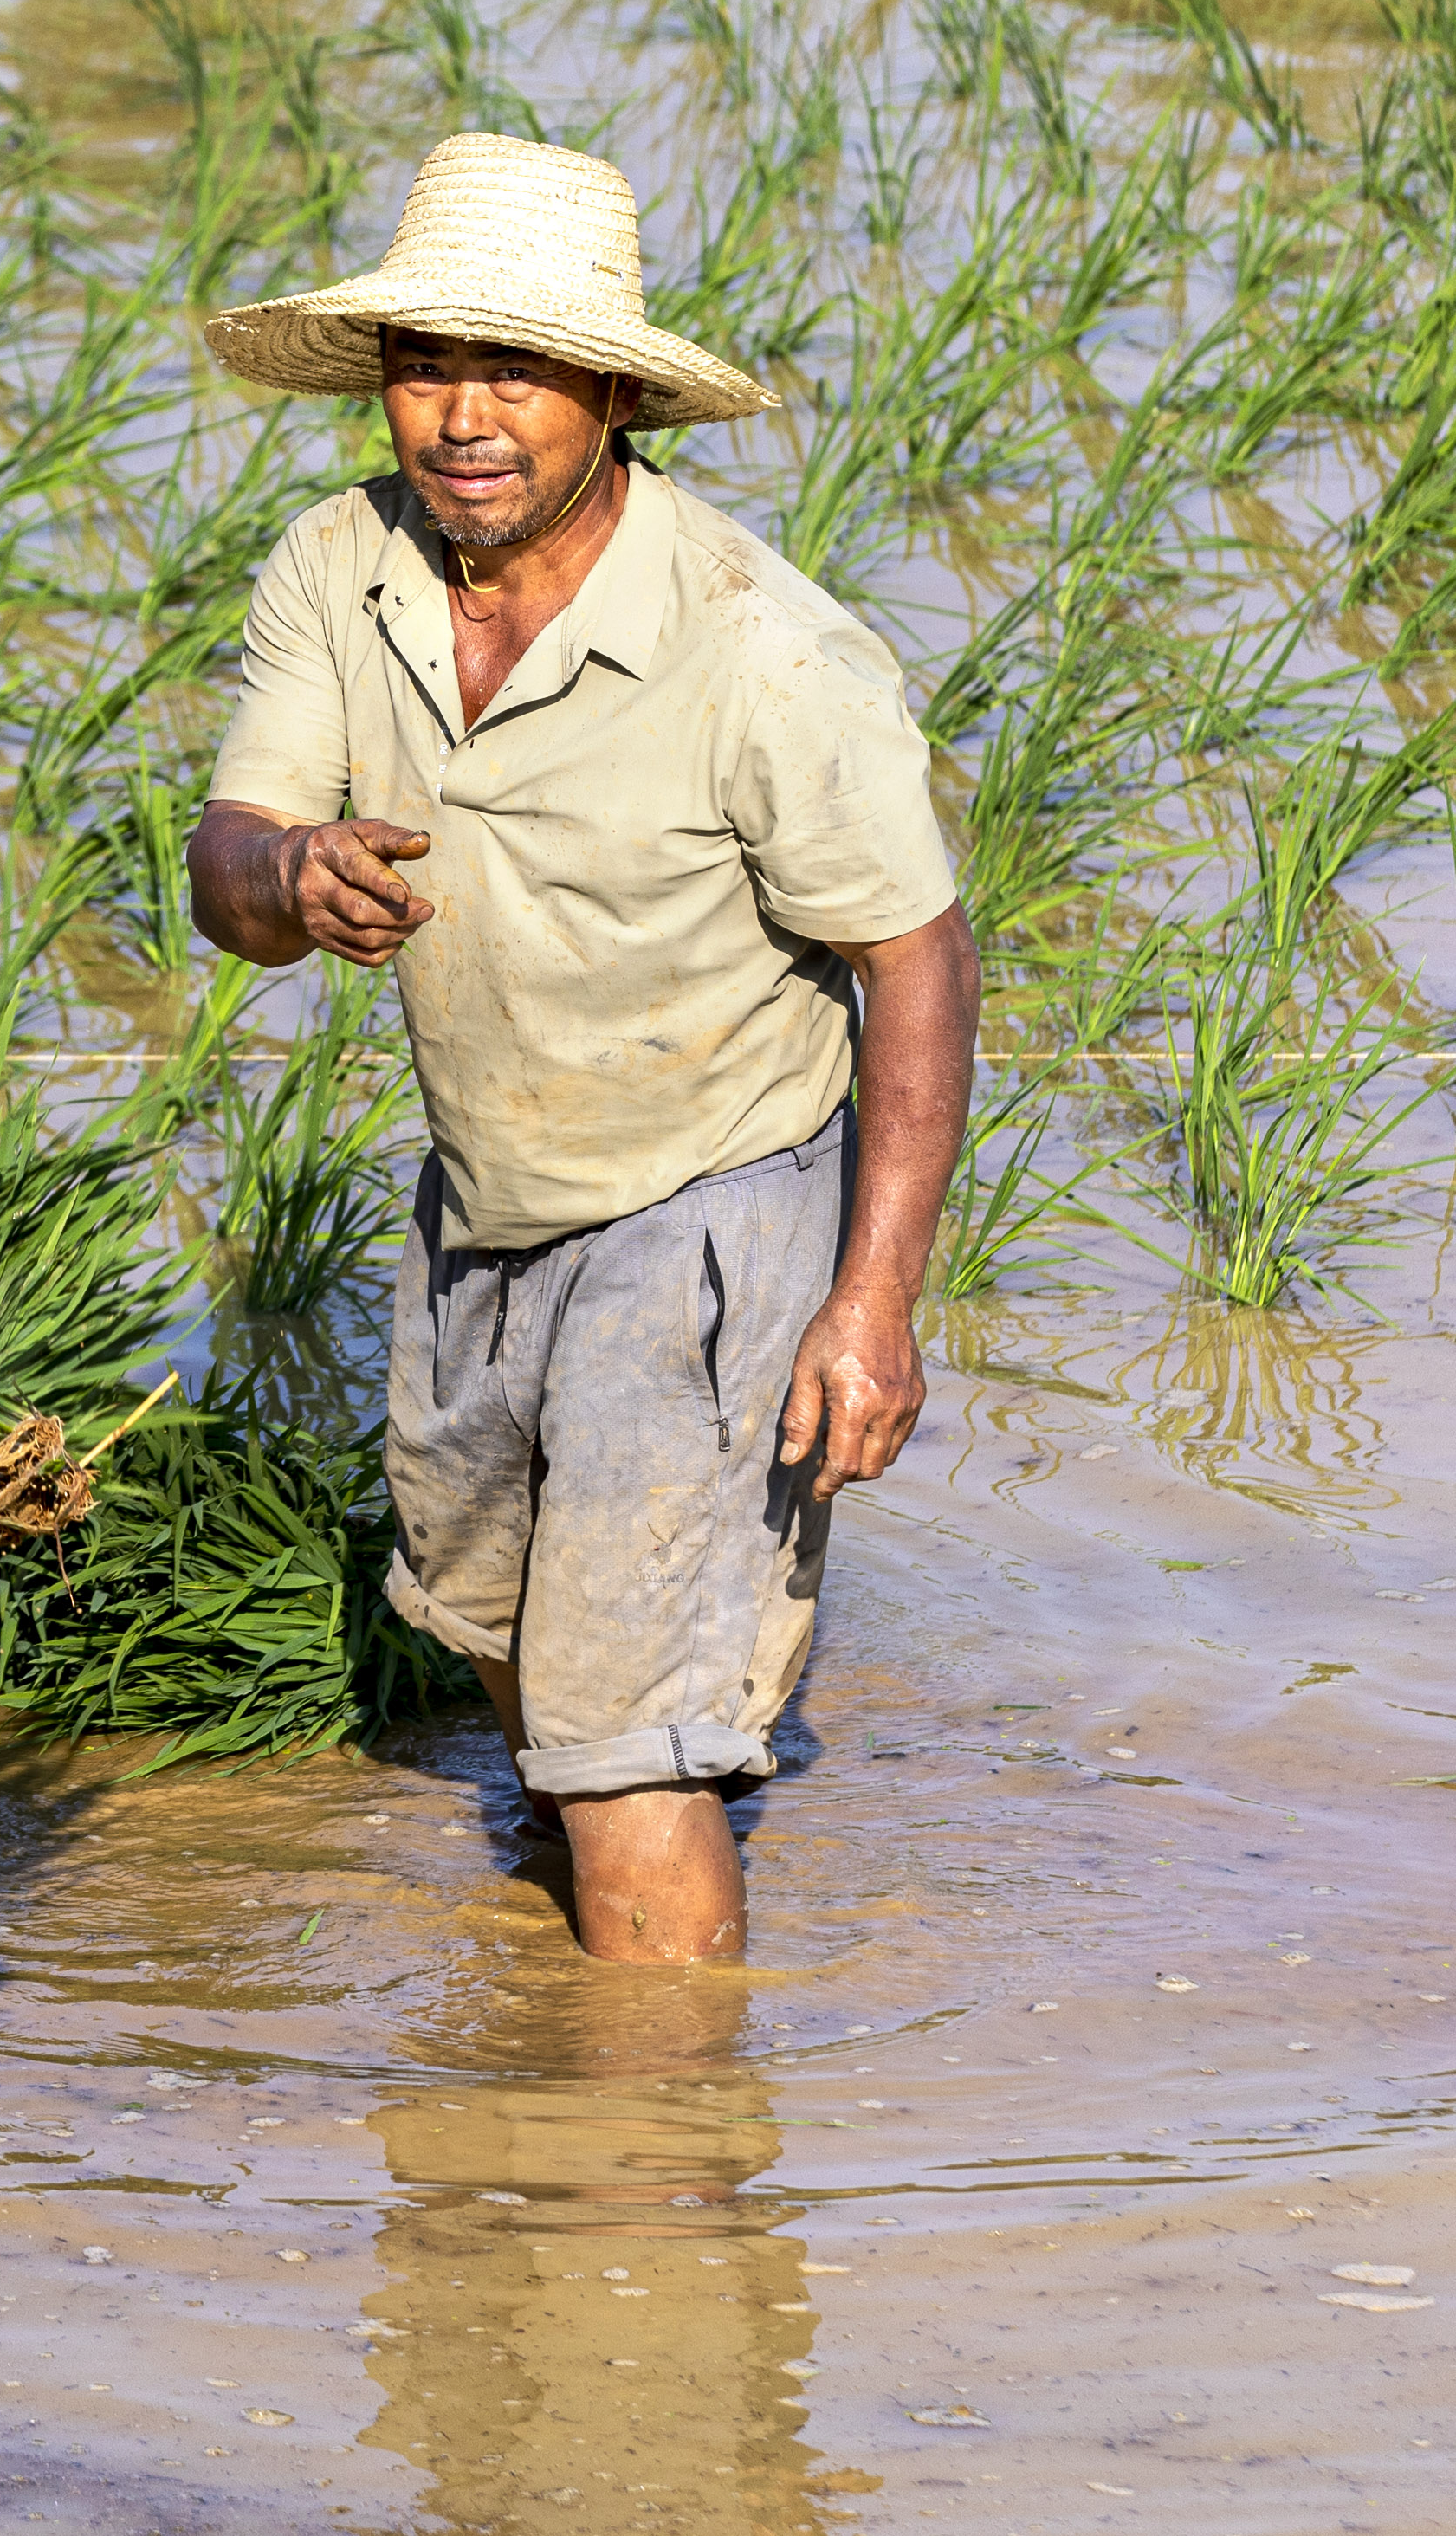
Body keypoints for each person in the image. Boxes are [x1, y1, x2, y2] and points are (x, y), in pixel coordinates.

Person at [187, 132, 976, 1964]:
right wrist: (289, 871)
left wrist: (874, 1302)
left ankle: (656, 2177)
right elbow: (223, 863)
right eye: (429, 363)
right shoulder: (341, 571)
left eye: (518, 369)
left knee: (622, 1759)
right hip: (487, 1199)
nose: (465, 415)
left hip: (713, 1209)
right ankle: (582, 2035)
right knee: (504, 1647)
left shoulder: (761, 652)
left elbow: (918, 964)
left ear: (613, 394)